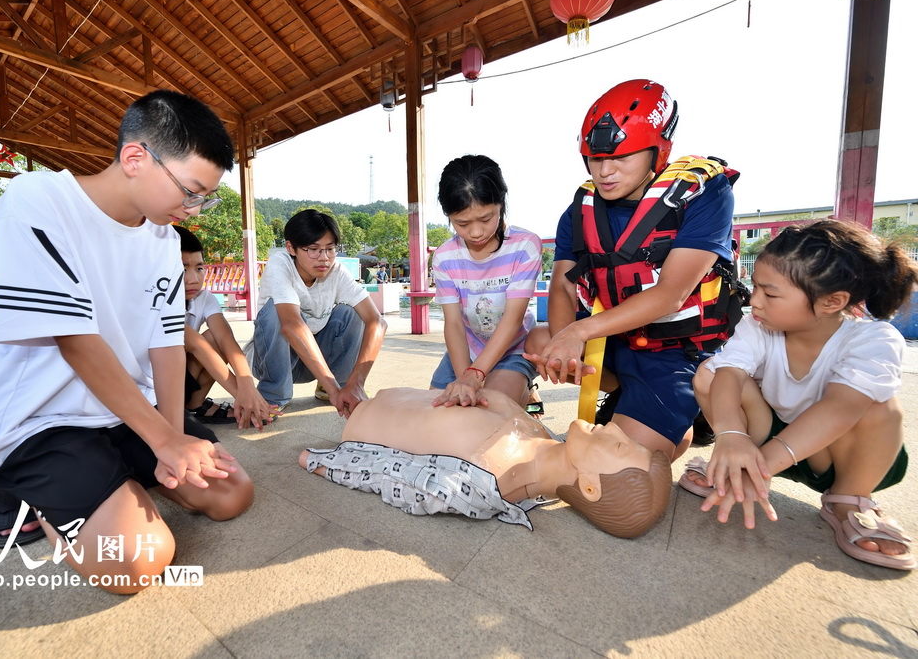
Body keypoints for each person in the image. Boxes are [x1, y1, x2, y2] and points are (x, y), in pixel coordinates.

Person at [0, 90, 254, 594]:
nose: (195, 209)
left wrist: (171, 438)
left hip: (125, 412)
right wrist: (163, 441)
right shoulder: (38, 201)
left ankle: (112, 481)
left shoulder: (163, 239)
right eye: (190, 191)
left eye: (204, 197)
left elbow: (166, 344)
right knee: (138, 563)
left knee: (233, 495)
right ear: (136, 158)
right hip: (45, 420)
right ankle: (26, 489)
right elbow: (75, 341)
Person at [530, 79, 744, 460]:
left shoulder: (703, 193)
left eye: (621, 157)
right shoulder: (580, 208)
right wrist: (565, 344)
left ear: (658, 150)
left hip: (675, 350)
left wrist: (579, 331)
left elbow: (671, 294)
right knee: (539, 338)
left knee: (619, 473)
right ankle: (627, 399)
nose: (605, 171)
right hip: (613, 343)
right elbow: (563, 287)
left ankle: (687, 411)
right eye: (595, 160)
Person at [685, 220, 916, 571]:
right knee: (711, 373)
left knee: (880, 407)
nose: (754, 300)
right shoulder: (759, 326)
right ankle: (734, 463)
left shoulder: (875, 339)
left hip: (838, 457)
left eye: (770, 293)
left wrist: (757, 472)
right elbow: (730, 374)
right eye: (754, 287)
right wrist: (731, 435)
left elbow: (841, 409)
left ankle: (849, 501)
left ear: (831, 301)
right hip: (767, 439)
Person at [299, 387, 672, 538]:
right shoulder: (537, 432)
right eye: (627, 440)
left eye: (620, 448)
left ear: (590, 485)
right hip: (379, 398)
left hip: (363, 424)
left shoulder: (480, 485)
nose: (615, 431)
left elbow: (394, 478)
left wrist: (322, 463)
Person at [428, 155, 546, 409]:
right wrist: (465, 377)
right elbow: (454, 324)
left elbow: (512, 320)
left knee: (493, 409)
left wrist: (475, 376)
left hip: (512, 349)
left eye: (485, 219)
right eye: (462, 223)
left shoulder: (525, 246)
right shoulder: (445, 257)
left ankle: (525, 387)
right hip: (466, 349)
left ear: (501, 204)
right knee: (440, 413)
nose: (476, 232)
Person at [246, 209, 387, 417]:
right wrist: (333, 389)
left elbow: (377, 322)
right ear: (290, 248)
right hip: (275, 361)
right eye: (313, 249)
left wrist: (356, 382)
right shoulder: (280, 264)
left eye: (330, 249)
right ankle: (273, 394)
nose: (324, 258)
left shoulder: (337, 271)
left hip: (315, 365)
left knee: (351, 313)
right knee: (275, 312)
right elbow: (292, 324)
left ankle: (341, 386)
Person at [174, 225, 275, 429]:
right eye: (182, 269)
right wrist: (244, 397)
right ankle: (176, 408)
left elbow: (225, 340)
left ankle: (195, 404)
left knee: (214, 337)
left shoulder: (204, 298)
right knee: (202, 342)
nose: (193, 279)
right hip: (155, 385)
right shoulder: (155, 302)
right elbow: (196, 345)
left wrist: (248, 386)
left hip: (182, 378)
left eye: (199, 268)